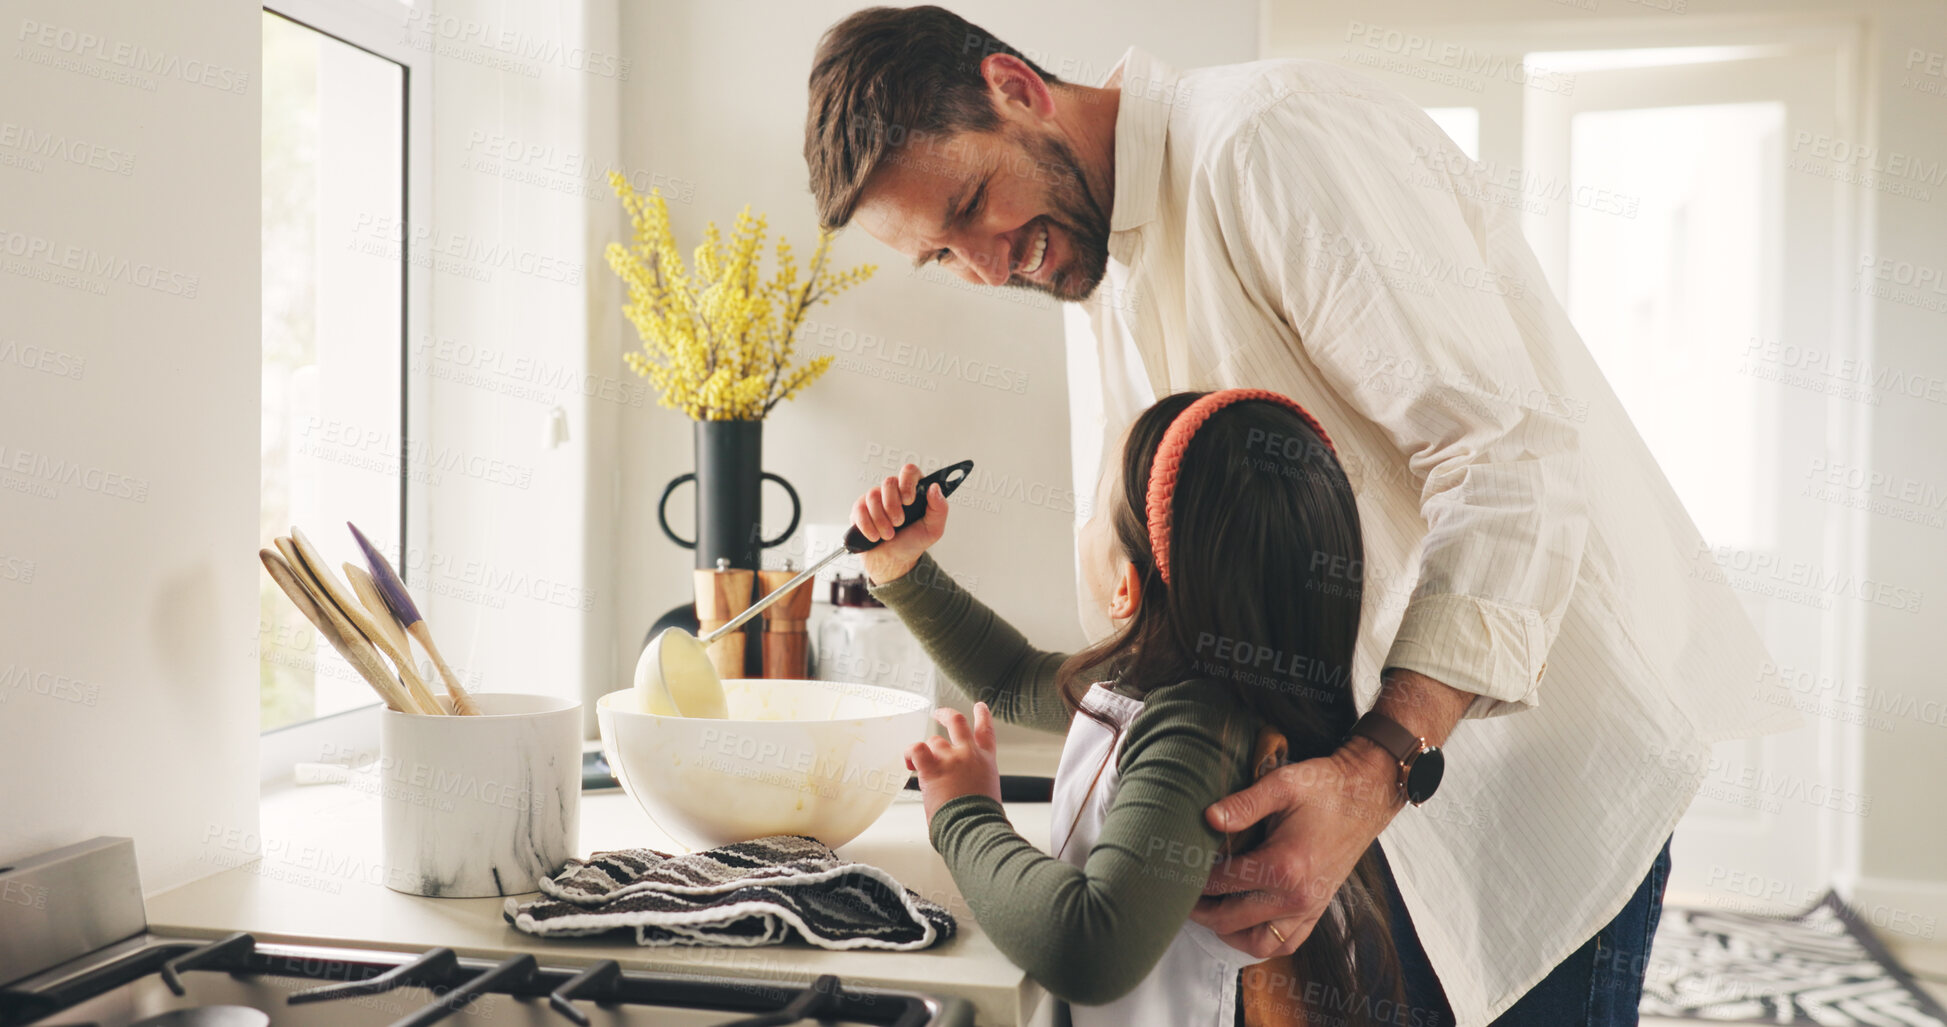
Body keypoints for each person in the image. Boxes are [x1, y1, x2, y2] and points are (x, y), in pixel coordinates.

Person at [804, 7, 1801, 1026]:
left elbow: (1506, 459)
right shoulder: (1088, 255)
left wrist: (1375, 771)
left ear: (1016, 88)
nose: (986, 267)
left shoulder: (1266, 141)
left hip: (1520, 789)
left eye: (971, 205)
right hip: (1352, 815)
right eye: (942, 255)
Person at [854, 389, 1403, 1027]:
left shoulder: (1194, 729)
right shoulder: (1186, 690)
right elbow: (1010, 676)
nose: (1084, 523)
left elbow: (1091, 947)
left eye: (1094, 509)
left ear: (1127, 584)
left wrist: (963, 813)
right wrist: (901, 569)